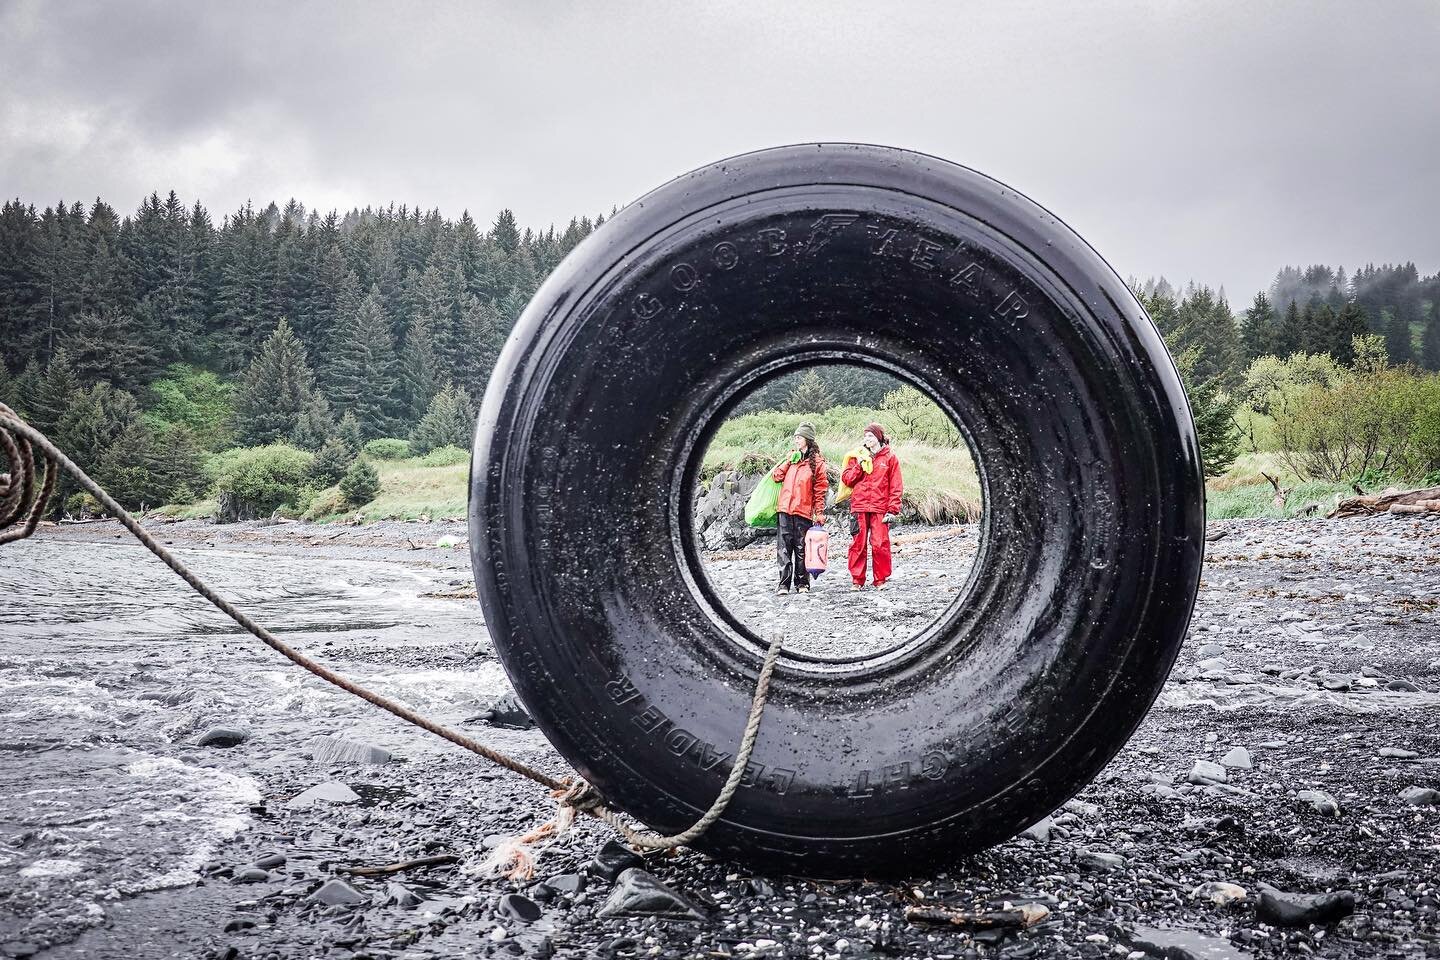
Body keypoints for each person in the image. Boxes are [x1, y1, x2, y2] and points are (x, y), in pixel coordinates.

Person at [841, 422, 903, 590]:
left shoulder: (890, 457)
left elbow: (896, 485)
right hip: (859, 506)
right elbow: (847, 479)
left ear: (878, 437)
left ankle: (880, 579)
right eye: (865, 436)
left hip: (880, 507)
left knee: (880, 544)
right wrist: (859, 466)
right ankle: (857, 580)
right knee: (858, 544)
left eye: (870, 436)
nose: (866, 439)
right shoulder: (857, 455)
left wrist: (893, 509)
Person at [771, 422, 829, 594]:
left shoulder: (818, 463)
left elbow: (820, 490)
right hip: (784, 509)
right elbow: (776, 476)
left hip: (803, 511)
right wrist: (788, 461)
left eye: (799, 437)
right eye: (795, 437)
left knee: (802, 548)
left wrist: (819, 513)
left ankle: (802, 583)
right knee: (783, 548)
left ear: (808, 439)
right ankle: (783, 585)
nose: (796, 440)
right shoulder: (792, 458)